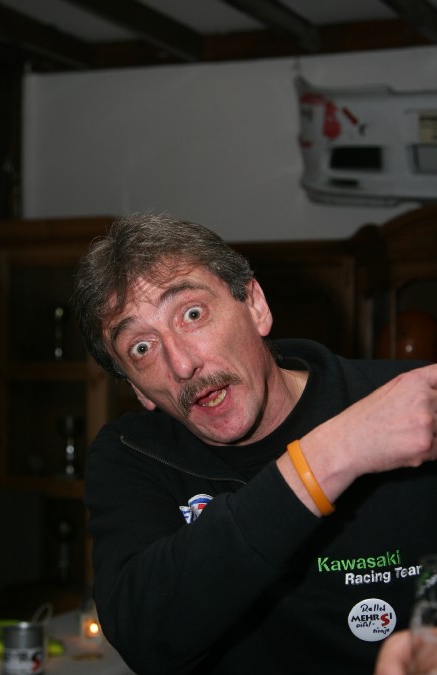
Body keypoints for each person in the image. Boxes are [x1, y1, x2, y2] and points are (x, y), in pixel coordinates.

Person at [72, 213, 437, 675]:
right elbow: (144, 634)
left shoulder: (411, 403)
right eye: (141, 348)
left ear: (256, 305)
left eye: (192, 314)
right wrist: (333, 454)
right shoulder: (134, 454)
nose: (181, 365)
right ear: (137, 389)